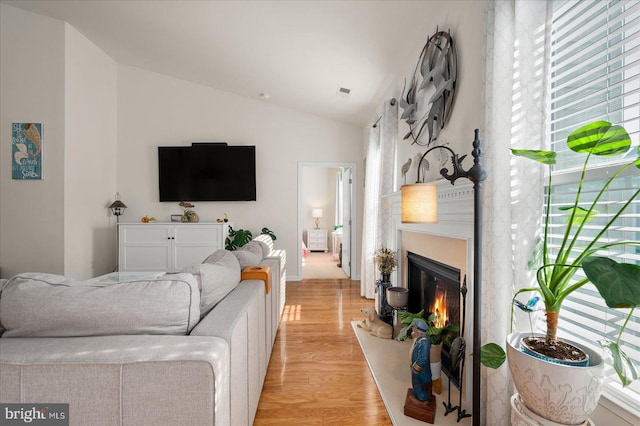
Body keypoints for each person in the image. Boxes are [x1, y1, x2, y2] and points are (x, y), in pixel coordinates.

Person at [409, 317, 432, 401]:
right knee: (415, 383)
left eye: (413, 328)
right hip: (415, 366)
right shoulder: (419, 339)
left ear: (417, 330)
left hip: (419, 370)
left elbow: (423, 358)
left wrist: (415, 368)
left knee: (418, 383)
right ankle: (416, 393)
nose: (412, 329)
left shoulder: (424, 343)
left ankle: (422, 397)